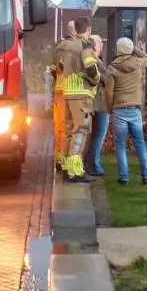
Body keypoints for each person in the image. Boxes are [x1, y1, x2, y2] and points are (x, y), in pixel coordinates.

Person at [104, 37, 147, 185]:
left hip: (119, 110)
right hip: (135, 110)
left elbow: (108, 93)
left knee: (120, 145)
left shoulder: (112, 69)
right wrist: (134, 48)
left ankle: (124, 178)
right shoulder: (138, 64)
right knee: (140, 144)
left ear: (117, 49)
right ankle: (146, 177)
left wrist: (109, 108)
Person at [60, 17, 102, 182]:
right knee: (80, 131)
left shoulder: (67, 46)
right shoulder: (85, 46)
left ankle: (65, 166)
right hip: (81, 95)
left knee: (69, 130)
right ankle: (75, 171)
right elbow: (90, 67)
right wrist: (96, 79)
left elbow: (60, 66)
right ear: (88, 29)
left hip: (68, 93)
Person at [49, 19, 78, 172]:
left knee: (59, 126)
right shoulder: (77, 47)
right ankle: (68, 160)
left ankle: (58, 158)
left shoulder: (58, 48)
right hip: (72, 91)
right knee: (71, 128)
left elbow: (54, 70)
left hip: (59, 91)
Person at [86, 34, 110, 177]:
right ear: (96, 46)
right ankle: (94, 165)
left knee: (91, 136)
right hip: (100, 105)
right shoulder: (96, 63)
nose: (102, 47)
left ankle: (89, 163)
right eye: (100, 44)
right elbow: (106, 80)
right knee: (99, 136)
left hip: (90, 104)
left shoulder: (85, 61)